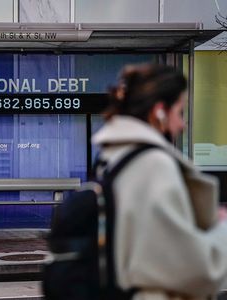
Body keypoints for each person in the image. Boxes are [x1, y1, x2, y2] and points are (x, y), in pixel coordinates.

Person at [92, 64, 227, 300]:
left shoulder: (112, 157)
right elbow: (195, 269)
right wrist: (222, 230)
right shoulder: (154, 165)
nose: (182, 124)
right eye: (180, 112)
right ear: (160, 111)